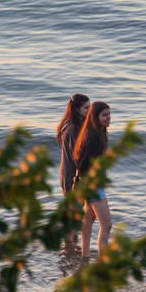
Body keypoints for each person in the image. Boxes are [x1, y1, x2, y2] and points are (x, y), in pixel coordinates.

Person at [73, 101, 113, 259]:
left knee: (89, 219)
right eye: (104, 115)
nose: (108, 118)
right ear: (95, 118)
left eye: (109, 114)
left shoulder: (95, 133)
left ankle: (85, 256)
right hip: (93, 186)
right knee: (107, 226)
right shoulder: (95, 137)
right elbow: (83, 165)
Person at [57, 93, 90, 245]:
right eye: (86, 108)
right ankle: (69, 248)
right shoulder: (70, 128)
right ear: (77, 109)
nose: (89, 110)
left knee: (75, 212)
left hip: (71, 173)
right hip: (72, 175)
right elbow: (77, 155)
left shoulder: (75, 125)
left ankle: (72, 246)